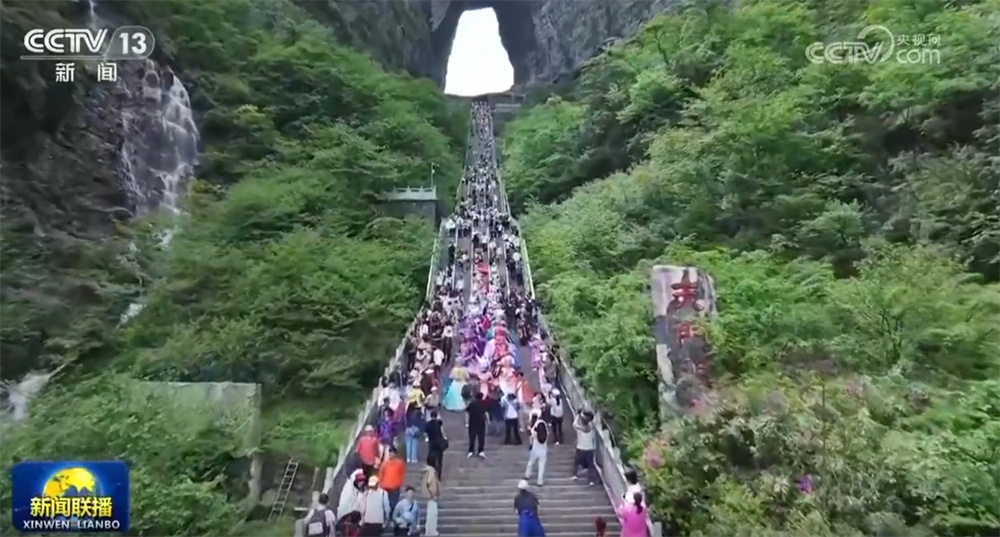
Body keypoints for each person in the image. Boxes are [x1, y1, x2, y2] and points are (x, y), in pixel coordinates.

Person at [378, 447, 405, 513]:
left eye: (392, 453)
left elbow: (401, 473)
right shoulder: (385, 464)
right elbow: (381, 475)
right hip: (385, 487)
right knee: (386, 503)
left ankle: (391, 517)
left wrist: (399, 483)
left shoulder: (399, 463)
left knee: (393, 504)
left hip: (395, 487)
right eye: (390, 453)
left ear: (395, 454)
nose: (391, 455)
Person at [573, 411, 597, 486]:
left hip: (581, 447)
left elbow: (574, 424)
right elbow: (593, 420)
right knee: (591, 465)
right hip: (590, 448)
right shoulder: (592, 428)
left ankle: (575, 475)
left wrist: (578, 415)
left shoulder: (579, 429)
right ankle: (591, 480)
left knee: (576, 462)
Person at [524, 414, 549, 486]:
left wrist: (528, 428)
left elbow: (530, 434)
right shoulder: (546, 431)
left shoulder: (535, 431)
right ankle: (540, 481)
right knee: (541, 465)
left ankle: (527, 475)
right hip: (543, 450)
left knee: (531, 462)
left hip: (535, 449)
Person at [424, 410, 448, 480]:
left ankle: (432, 474)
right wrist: (445, 438)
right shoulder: (439, 423)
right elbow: (442, 432)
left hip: (432, 443)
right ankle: (439, 476)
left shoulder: (428, 424)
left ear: (430, 416)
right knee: (439, 460)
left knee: (432, 459)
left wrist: (427, 438)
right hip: (439, 443)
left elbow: (425, 434)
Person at [465, 391, 488, 458]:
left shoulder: (472, 403)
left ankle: (471, 451)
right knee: (481, 438)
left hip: (472, 423)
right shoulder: (483, 404)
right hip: (481, 423)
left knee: (472, 437)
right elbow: (486, 413)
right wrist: (488, 421)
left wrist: (466, 422)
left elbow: (467, 413)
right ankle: (481, 451)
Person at [422, 464, 441, 536]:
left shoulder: (428, 472)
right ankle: (431, 531)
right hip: (432, 497)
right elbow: (431, 484)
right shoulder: (431, 472)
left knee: (431, 515)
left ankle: (430, 530)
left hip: (430, 496)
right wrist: (433, 493)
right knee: (432, 515)